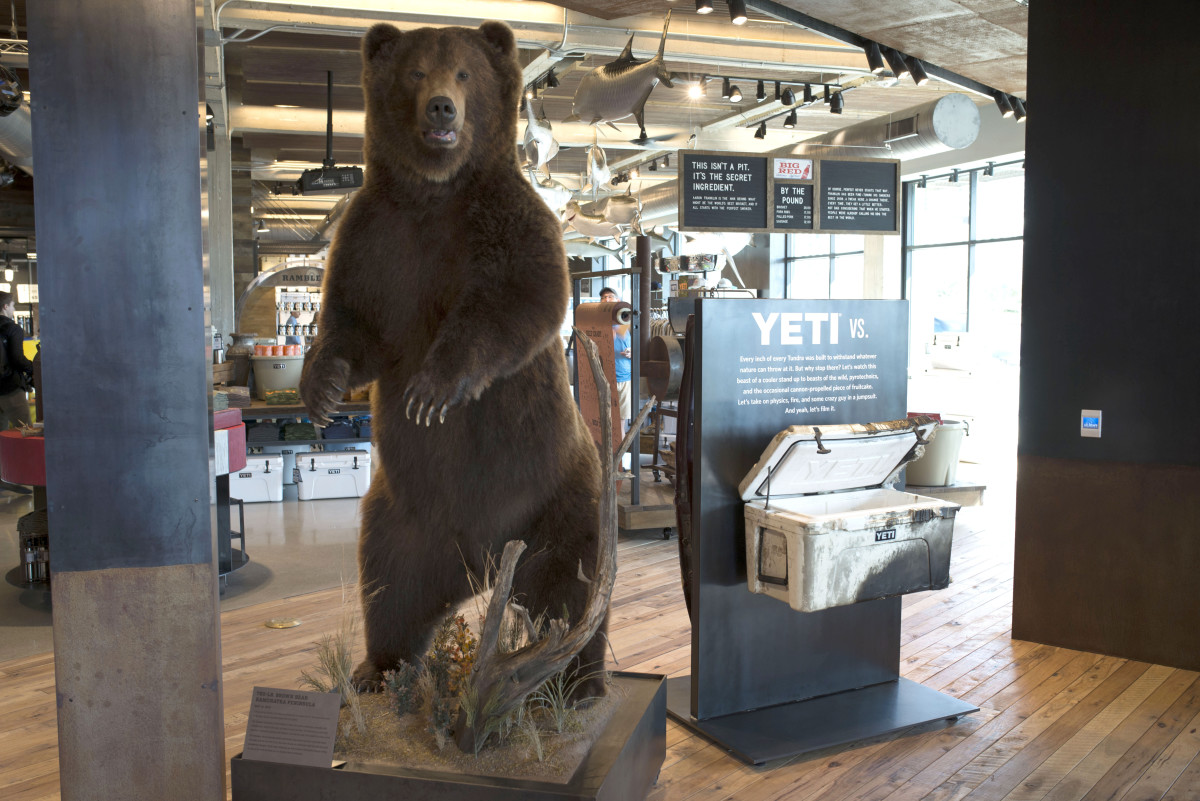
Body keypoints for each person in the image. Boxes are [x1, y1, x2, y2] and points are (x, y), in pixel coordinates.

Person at [598, 287, 631, 435]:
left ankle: (620, 457)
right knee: (603, 420)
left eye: (610, 296)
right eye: (604, 297)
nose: (607, 299)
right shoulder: (597, 322)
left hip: (623, 376)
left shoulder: (627, 321)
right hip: (603, 376)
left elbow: (634, 346)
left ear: (617, 300)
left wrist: (632, 352)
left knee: (620, 421)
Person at [0, 291, 33, 430]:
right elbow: (17, 359)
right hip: (10, 388)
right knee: (25, 432)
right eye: (13, 306)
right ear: (5, 306)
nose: (14, 309)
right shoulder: (12, 328)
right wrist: (33, 369)